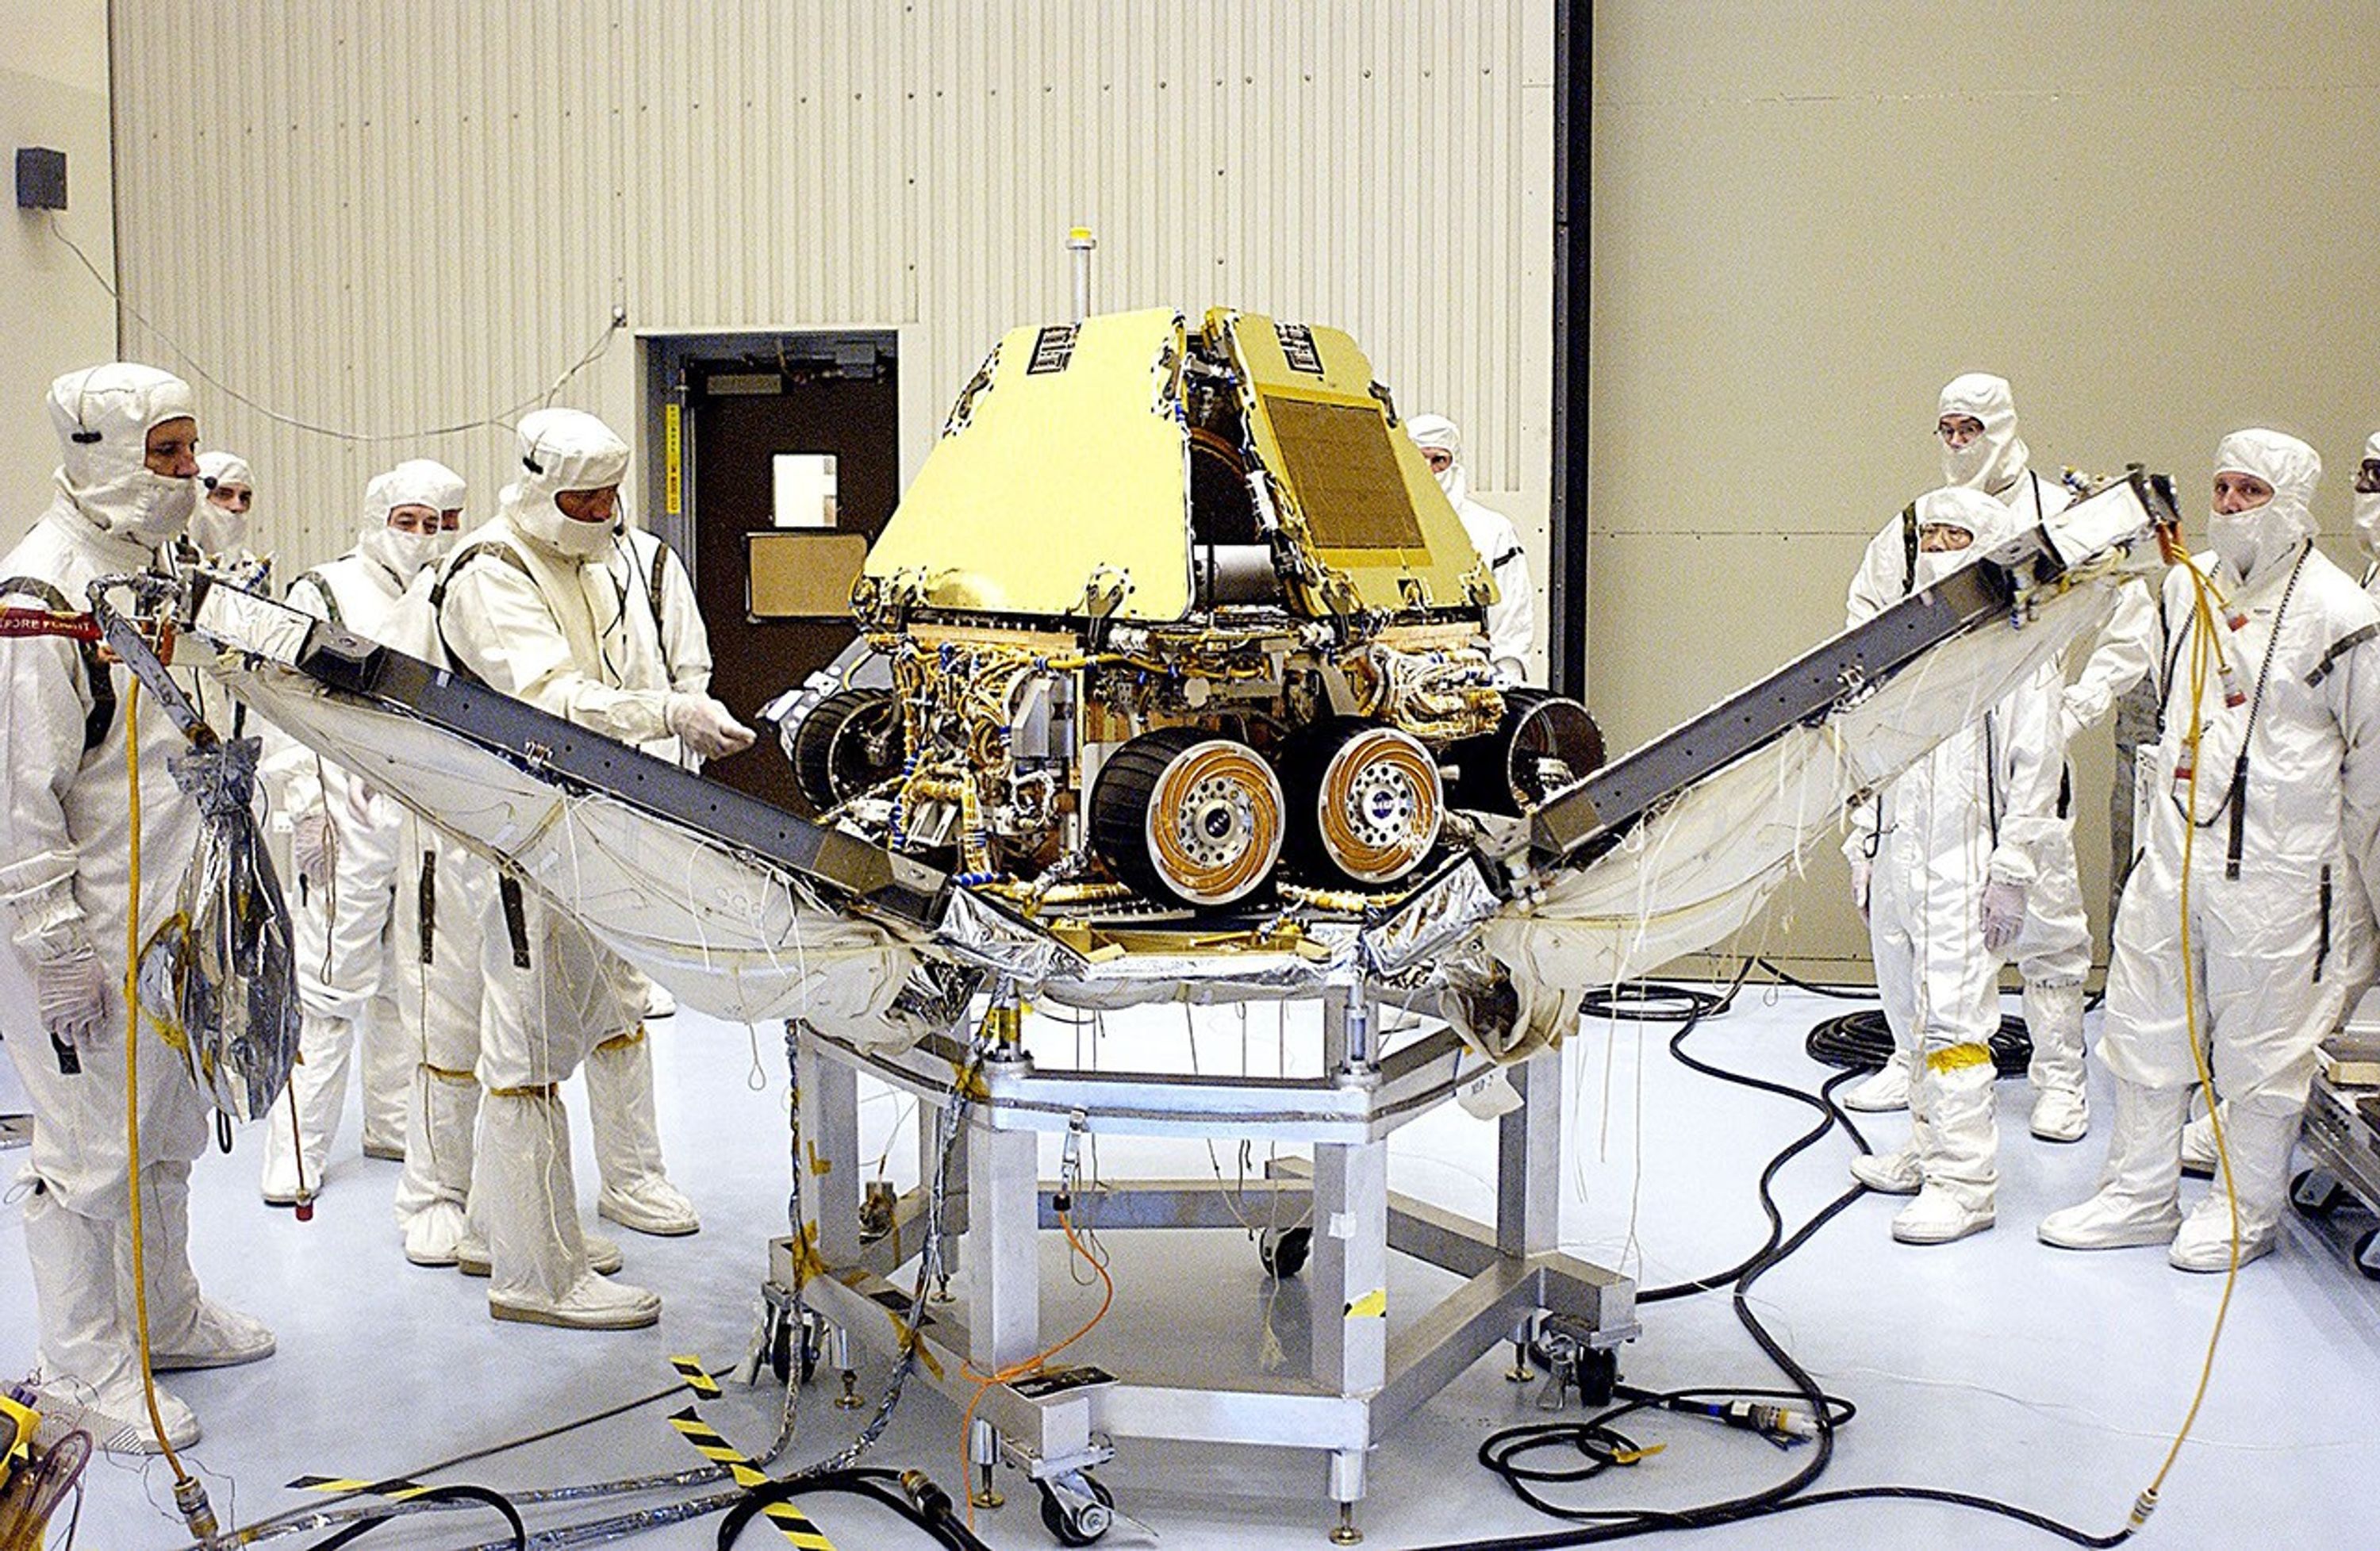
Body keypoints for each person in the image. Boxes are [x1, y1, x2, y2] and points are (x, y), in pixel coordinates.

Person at [1, 363, 273, 1453]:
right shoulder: (41, 599)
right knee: (85, 1151)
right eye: (165, 453)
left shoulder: (161, 570)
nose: (187, 472)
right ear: (99, 449)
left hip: (172, 910)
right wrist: (52, 942)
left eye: (188, 449)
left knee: (161, 1126)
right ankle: (83, 1362)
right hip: (79, 929)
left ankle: (165, 1316)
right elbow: (16, 798)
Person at [429, 408, 751, 1326]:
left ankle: (504, 1226)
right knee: (526, 1048)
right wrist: (665, 714)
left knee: (569, 1026)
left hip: (577, 828)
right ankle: (537, 1276)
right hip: (514, 837)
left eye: (614, 495)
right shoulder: (489, 573)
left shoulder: (591, 558)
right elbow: (552, 699)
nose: (605, 511)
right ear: (537, 487)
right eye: (584, 497)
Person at [2040, 429, 2380, 1270]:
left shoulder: (2343, 617)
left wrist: (2365, 906)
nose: (2229, 508)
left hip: (2281, 875)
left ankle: (2241, 1210)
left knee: (2262, 1055)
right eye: (2221, 489)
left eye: (2250, 492)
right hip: (2176, 857)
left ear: (2293, 501)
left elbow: (2372, 777)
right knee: (2145, 1028)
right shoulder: (2185, 593)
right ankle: (2138, 1193)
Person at [1841, 373, 2158, 1144]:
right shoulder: (1920, 519)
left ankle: (2060, 1077)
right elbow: (1864, 625)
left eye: (1970, 429)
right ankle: (1914, 1062)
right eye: (1945, 429)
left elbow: (2130, 617)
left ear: (2005, 425)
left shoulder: (2059, 514)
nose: (1958, 445)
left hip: (2024, 747)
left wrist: (2072, 706)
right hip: (1934, 759)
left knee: (2045, 921)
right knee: (1914, 928)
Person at [1843, 486, 2057, 1243]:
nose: (1936, 545)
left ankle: (1966, 1182)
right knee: (1907, 1013)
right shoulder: (1905, 646)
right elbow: (1867, 749)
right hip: (1899, 851)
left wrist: (2014, 868)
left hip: (1966, 862)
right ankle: (1928, 1146)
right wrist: (1863, 841)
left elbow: (2037, 765)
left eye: (1954, 533)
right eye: (1928, 532)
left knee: (1956, 1020)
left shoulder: (2016, 647)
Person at [255, 466, 450, 1204]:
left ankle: (392, 1121)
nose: (421, 538)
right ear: (375, 516)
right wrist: (304, 804)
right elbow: (286, 701)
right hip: (346, 813)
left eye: (435, 524)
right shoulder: (324, 592)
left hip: (419, 812)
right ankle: (296, 1152)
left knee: (409, 979)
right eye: (408, 520)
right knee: (330, 986)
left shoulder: (439, 594)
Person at [572, 516, 712, 1238]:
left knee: (622, 995)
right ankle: (470, 1206)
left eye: (607, 497)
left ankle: (632, 1175)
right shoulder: (509, 568)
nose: (598, 513)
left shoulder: (652, 565)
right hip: (548, 803)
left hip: (639, 795)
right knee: (507, 1023)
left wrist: (681, 747)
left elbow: (690, 667)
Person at [1406, 413, 1535, 682]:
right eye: (1419, 459)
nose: (1429, 470)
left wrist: (1507, 677)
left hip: (1470, 677)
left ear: (1454, 463)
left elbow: (1512, 615)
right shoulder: (1382, 529)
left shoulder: (1492, 531)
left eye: (1439, 460)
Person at [191, 449, 255, 562]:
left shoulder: (253, 570)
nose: (237, 506)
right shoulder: (167, 562)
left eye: (244, 498)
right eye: (223, 494)